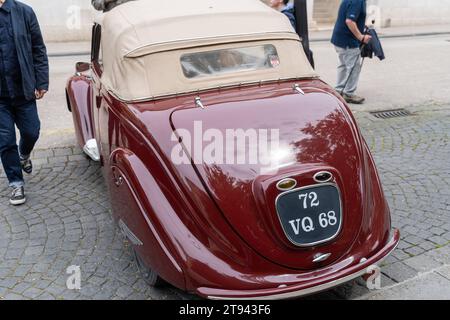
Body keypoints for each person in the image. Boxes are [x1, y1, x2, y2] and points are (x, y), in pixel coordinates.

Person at [0, 0, 48, 205]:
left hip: (23, 89)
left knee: (32, 131)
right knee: (6, 141)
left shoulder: (24, 12)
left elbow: (38, 48)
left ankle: (24, 155)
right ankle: (16, 184)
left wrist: (41, 81)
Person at [331, 0, 371, 104]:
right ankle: (349, 94)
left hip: (339, 38)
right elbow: (349, 21)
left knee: (343, 65)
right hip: (348, 40)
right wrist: (361, 37)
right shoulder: (358, 1)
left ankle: (339, 89)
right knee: (354, 67)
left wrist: (362, 27)